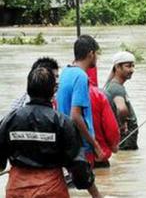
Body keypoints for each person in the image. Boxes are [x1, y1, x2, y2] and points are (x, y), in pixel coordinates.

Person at [0, 67, 100, 198]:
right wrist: (96, 195)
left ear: (28, 89)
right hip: (51, 191)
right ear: (53, 90)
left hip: (17, 191)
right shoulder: (63, 123)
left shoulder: (9, 120)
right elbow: (78, 166)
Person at [56, 35, 104, 165]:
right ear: (91, 54)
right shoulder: (81, 76)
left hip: (65, 141)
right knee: (85, 182)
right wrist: (95, 145)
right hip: (79, 146)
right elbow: (75, 115)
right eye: (96, 54)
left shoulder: (65, 71)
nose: (97, 58)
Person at [104, 51, 139, 151]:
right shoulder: (117, 88)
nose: (132, 70)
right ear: (117, 67)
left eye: (133, 66)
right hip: (126, 139)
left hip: (125, 139)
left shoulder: (113, 86)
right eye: (128, 66)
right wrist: (123, 125)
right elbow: (122, 109)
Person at [88, 63, 120, 168]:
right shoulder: (99, 95)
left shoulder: (61, 92)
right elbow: (111, 128)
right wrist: (114, 145)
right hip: (99, 156)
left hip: (74, 159)